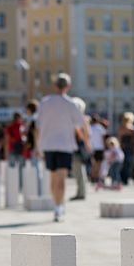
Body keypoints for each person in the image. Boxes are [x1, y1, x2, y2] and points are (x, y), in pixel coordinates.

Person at [36, 72, 87, 222]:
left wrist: (38, 146)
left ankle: (56, 204)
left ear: (54, 85)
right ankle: (60, 206)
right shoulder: (71, 104)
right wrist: (86, 142)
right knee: (61, 178)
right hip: (65, 145)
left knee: (53, 178)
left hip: (48, 144)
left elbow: (38, 127)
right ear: (68, 87)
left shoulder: (44, 102)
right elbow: (80, 125)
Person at [4, 111, 25, 188]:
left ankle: (12, 185)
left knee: (12, 168)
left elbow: (7, 140)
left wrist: (6, 152)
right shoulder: (22, 126)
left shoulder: (9, 127)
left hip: (12, 149)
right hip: (20, 150)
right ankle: (20, 185)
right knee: (21, 169)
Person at [118, 112, 134, 185]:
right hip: (129, 148)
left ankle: (124, 178)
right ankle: (128, 177)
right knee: (129, 163)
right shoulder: (132, 128)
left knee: (125, 164)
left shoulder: (121, 128)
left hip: (124, 147)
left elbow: (119, 139)